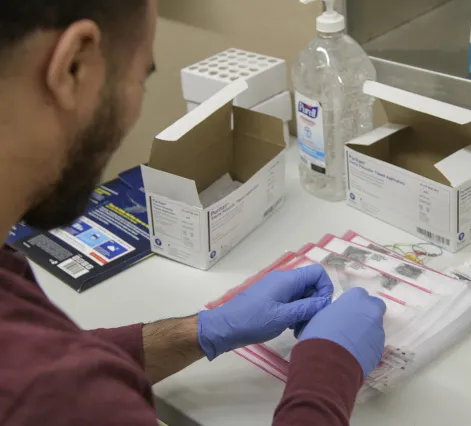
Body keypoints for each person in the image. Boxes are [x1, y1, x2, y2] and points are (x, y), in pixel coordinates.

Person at [0, 1, 387, 425]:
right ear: (75, 65)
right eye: (140, 77)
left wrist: (201, 331)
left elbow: (60, 361)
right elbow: (62, 388)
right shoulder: (51, 394)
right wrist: (328, 371)